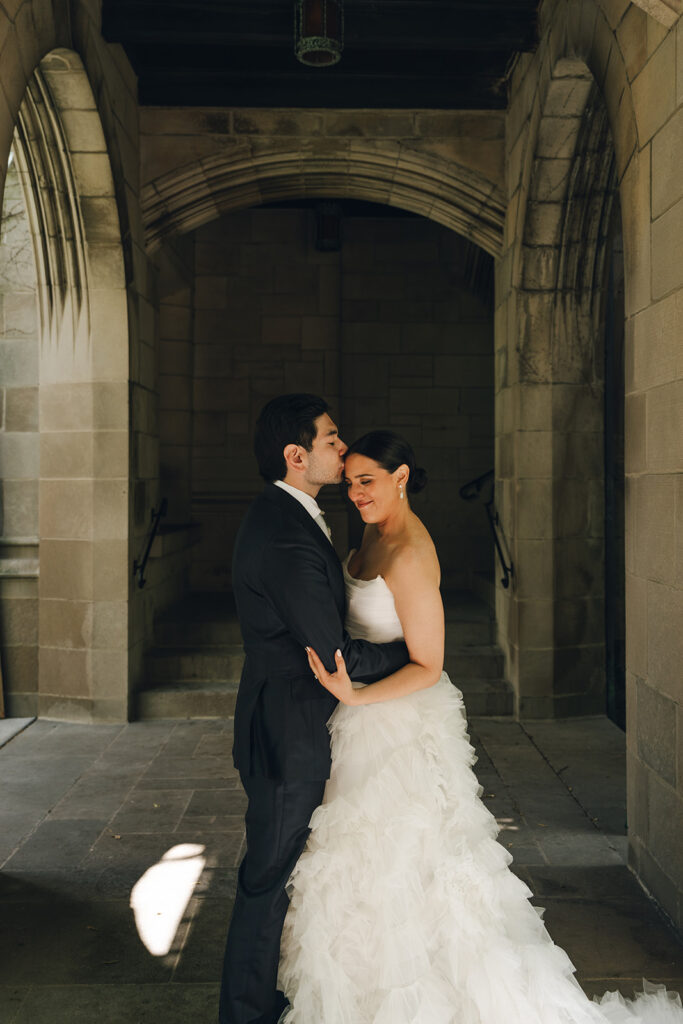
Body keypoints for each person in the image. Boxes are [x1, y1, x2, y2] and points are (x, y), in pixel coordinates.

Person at [278, 429, 683, 1024]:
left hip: (395, 725)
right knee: (364, 866)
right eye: (351, 482)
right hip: (361, 716)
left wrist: (355, 696)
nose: (357, 493)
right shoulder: (372, 530)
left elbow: (430, 665)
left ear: (402, 476)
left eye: (368, 481)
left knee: (407, 862)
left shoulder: (412, 551)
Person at [219, 397, 410, 1024]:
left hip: (287, 722)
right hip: (286, 733)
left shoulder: (291, 516)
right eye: (331, 439)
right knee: (267, 879)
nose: (341, 445)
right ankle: (245, 1015)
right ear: (296, 456)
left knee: (281, 876)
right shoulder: (283, 535)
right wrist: (415, 655)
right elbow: (335, 657)